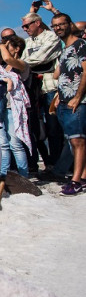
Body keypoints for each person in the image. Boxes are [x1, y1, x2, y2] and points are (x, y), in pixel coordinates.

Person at [50, 12, 86, 194]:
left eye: (61, 24)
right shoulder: (65, 48)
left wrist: (78, 96)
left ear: (69, 24)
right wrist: (58, 97)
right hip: (64, 100)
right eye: (54, 26)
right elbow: (61, 76)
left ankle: (76, 181)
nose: (58, 28)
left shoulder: (81, 45)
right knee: (74, 140)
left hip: (77, 101)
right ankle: (83, 177)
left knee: (77, 140)